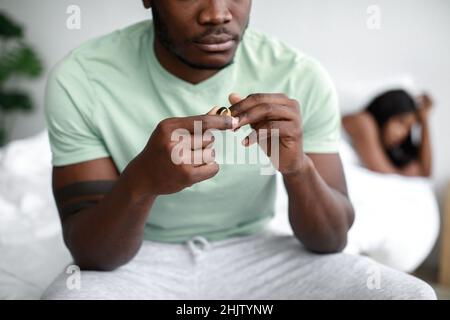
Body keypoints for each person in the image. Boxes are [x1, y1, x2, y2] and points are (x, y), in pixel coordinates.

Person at [42, 0, 435, 299]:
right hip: (140, 256)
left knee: (411, 294)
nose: (217, 14)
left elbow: (330, 241)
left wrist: (297, 169)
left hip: (259, 251)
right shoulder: (81, 79)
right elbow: (92, 255)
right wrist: (140, 183)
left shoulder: (299, 76)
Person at [343, 89, 433, 177]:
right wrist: (404, 173)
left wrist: (424, 121)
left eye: (409, 129)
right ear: (386, 112)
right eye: (400, 122)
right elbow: (382, 172)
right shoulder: (362, 121)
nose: (403, 133)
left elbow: (425, 172)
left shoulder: (386, 148)